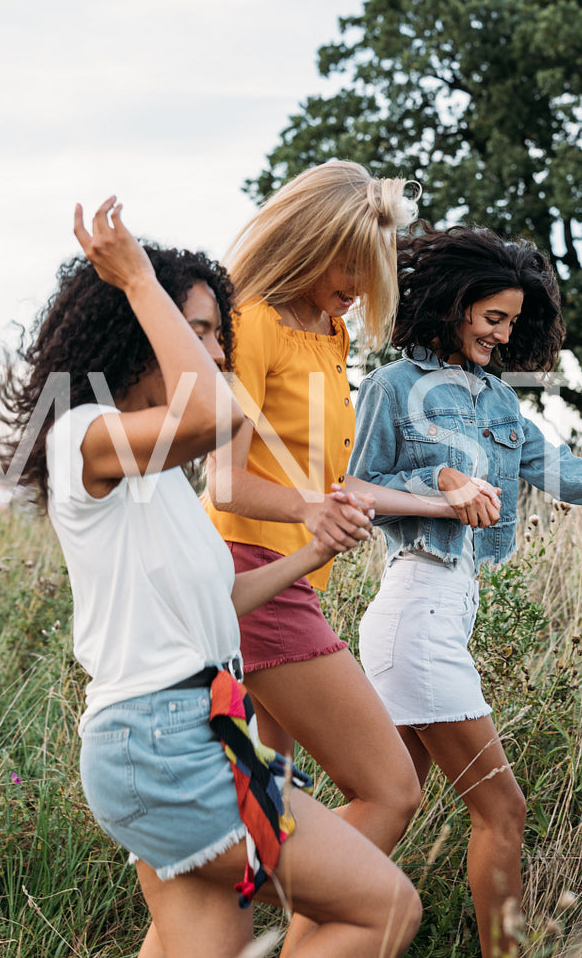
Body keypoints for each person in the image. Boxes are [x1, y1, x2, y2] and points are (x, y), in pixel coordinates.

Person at [0, 196, 421, 957]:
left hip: (206, 731)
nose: (218, 355)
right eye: (200, 334)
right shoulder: (81, 438)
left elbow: (221, 605)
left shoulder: (161, 482)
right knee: (384, 908)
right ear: (135, 333)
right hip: (161, 741)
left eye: (218, 338)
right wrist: (137, 282)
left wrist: (306, 556)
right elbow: (215, 414)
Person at [347, 225, 582, 957]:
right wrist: (440, 483)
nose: (502, 335)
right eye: (491, 318)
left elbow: (566, 470)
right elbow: (355, 489)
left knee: (387, 807)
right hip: (414, 608)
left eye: (512, 321)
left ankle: (264, 901)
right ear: (452, 305)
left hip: (446, 613)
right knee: (502, 808)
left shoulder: (499, 406)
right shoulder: (392, 387)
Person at [201, 162, 481, 887]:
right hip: (251, 579)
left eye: (371, 268)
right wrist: (308, 510)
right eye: (349, 263)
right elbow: (226, 480)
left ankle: (219, 922)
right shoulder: (252, 321)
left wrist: (434, 503)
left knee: (268, 808)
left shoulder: (326, 334)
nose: (359, 285)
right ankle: (306, 925)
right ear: (308, 239)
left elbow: (330, 482)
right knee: (390, 788)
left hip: (291, 580)